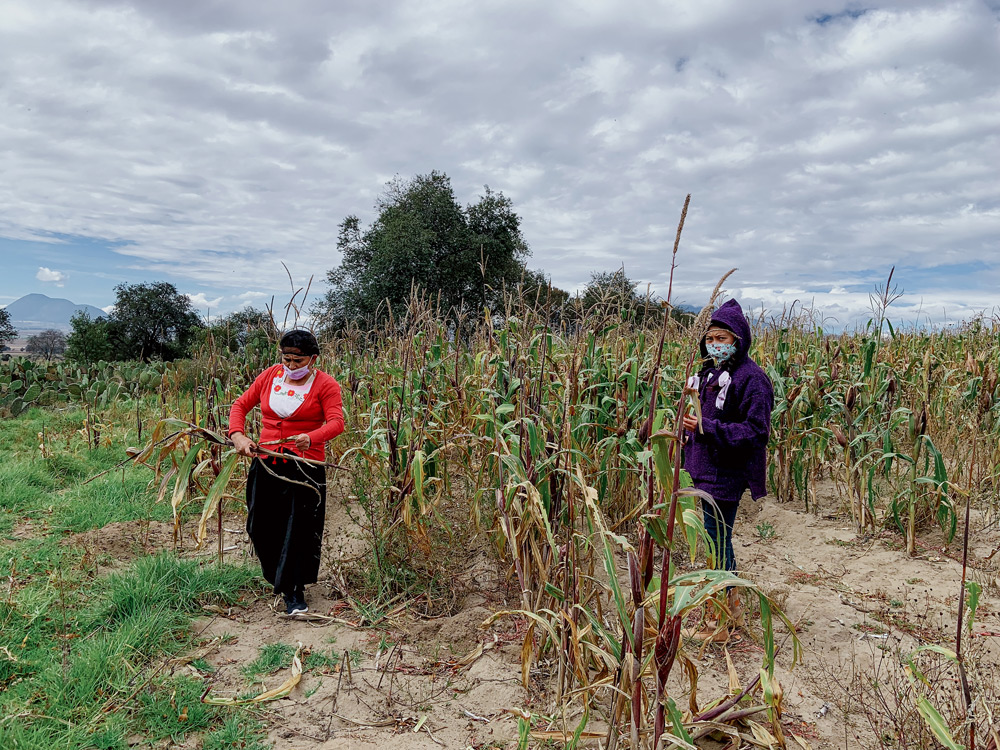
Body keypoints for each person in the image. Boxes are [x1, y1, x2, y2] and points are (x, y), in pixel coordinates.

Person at [228, 329, 345, 615]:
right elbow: (240, 405)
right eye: (286, 359)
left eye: (298, 360)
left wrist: (313, 436)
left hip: (305, 466)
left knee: (298, 529)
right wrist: (238, 436)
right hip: (267, 460)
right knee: (260, 525)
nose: (291, 366)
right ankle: (277, 577)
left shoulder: (326, 385)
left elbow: (336, 422)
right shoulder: (270, 376)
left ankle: (294, 590)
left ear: (313, 359)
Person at [682, 299, 773, 635]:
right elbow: (699, 422)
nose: (715, 344)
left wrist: (708, 428)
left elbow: (756, 431)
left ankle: (725, 618)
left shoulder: (752, 379)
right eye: (711, 337)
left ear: (739, 340)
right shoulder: (709, 374)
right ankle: (724, 610)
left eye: (723, 338)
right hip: (704, 469)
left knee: (718, 540)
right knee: (714, 538)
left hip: (726, 473)